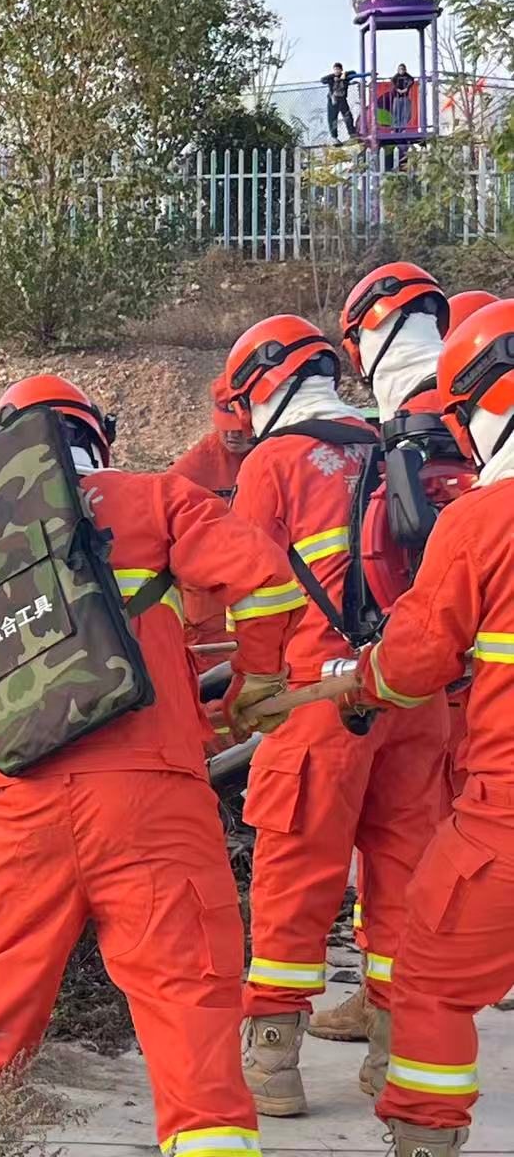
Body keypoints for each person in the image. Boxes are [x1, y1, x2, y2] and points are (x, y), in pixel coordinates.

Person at [0, 375, 305, 1157]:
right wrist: (257, 678)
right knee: (188, 997)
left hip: (30, 805)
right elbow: (264, 578)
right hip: (152, 800)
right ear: (96, 435)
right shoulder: (156, 498)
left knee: (1, 983)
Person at [222, 315, 449, 1117]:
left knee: (295, 869)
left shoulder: (276, 462)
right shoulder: (403, 446)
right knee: (405, 877)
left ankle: (274, 1059)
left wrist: (248, 686)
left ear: (259, 386)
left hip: (319, 700)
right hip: (410, 700)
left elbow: (253, 591)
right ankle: (393, 1055)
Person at [341, 300, 514, 1157]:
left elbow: (412, 664)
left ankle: (423, 1140)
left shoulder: (482, 523)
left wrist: (356, 682)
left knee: (431, 981)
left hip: (505, 819)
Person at [305, 264, 464, 1047]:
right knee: (409, 840)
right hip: (446, 676)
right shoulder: (455, 409)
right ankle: (388, 1008)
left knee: (429, 840)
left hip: (438, 672)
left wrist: (374, 670)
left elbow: (410, 567)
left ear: (369, 331)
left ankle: (422, 1006)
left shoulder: (421, 418)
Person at [172, 374, 255, 655]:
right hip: (209, 610)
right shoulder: (192, 469)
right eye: (224, 426)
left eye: (239, 427)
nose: (232, 434)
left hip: (263, 596)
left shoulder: (277, 457)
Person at [322, 63, 361, 143]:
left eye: (338, 69)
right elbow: (322, 80)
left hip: (342, 100)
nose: (337, 71)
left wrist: (344, 74)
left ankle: (352, 133)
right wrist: (333, 77)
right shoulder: (331, 78)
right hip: (333, 100)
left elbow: (354, 72)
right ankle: (334, 137)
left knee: (348, 116)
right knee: (333, 119)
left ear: (341, 70)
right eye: (335, 69)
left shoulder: (345, 77)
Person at [391, 63, 416, 132]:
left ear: (405, 70)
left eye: (403, 69)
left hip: (405, 97)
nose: (401, 71)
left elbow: (411, 80)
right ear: (398, 70)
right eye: (400, 69)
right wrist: (398, 89)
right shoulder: (396, 77)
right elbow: (393, 82)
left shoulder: (408, 76)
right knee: (396, 113)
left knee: (404, 113)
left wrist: (407, 88)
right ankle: (395, 128)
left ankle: (402, 128)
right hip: (397, 97)